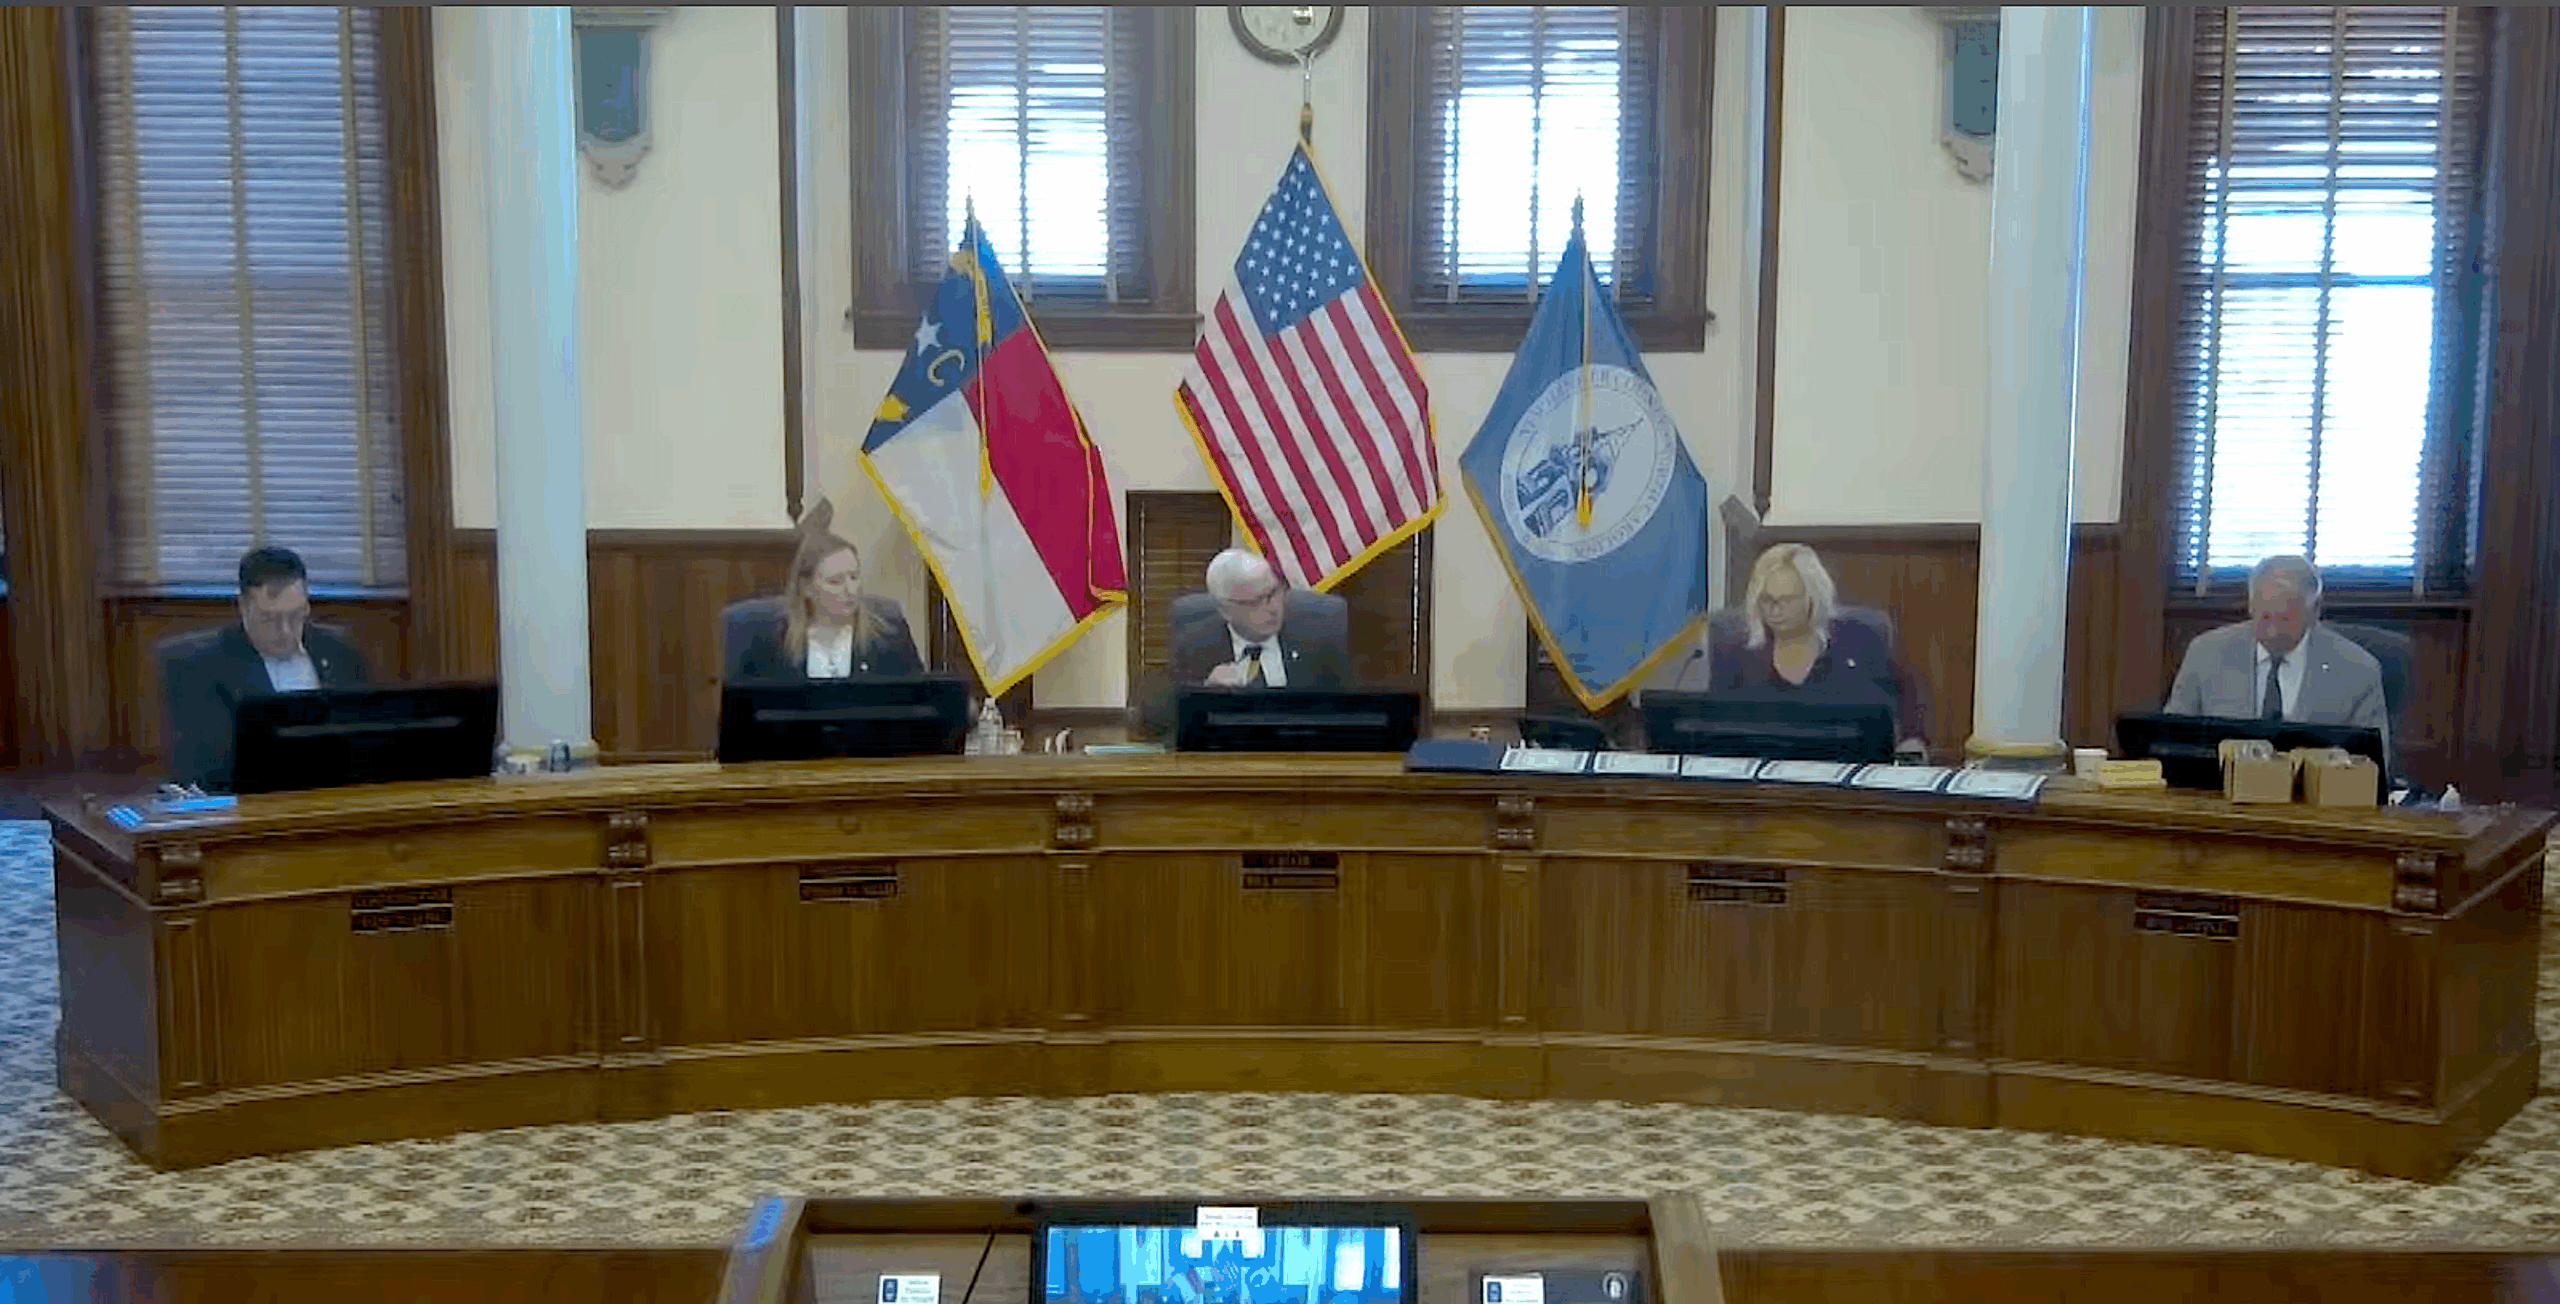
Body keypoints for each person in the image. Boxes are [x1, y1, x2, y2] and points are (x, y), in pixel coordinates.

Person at [1655, 543, 1921, 749]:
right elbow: (1719, 727)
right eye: (1766, 600)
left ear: (1813, 598)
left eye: (1786, 600)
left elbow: (1904, 703)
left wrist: (1912, 742)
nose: (1775, 610)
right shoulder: (1734, 648)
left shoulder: (1860, 638)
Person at [161, 546, 372, 791]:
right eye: (269, 619)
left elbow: (362, 742)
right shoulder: (199, 665)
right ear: (243, 606)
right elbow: (210, 767)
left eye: (295, 616)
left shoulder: (339, 650)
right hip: (250, 806)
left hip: (333, 797)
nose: (285, 632)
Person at [2165, 554, 2388, 740]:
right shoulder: (2205, 654)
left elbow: (2374, 766)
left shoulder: (2359, 670)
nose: (2273, 631)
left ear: (2315, 611)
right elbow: (2170, 739)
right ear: (2251, 607)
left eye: (2285, 620)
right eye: (2264, 617)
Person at [729, 512, 923, 682]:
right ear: (806, 588)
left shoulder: (890, 636)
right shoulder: (770, 642)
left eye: (854, 577)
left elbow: (919, 707)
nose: (850, 590)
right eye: (836, 581)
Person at [1167, 548, 1351, 690]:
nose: (1273, 608)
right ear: (1225, 611)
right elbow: (1169, 724)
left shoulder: (1322, 628)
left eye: (1273, 593)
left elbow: (1344, 711)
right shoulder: (1194, 644)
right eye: (1256, 602)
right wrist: (1206, 694)